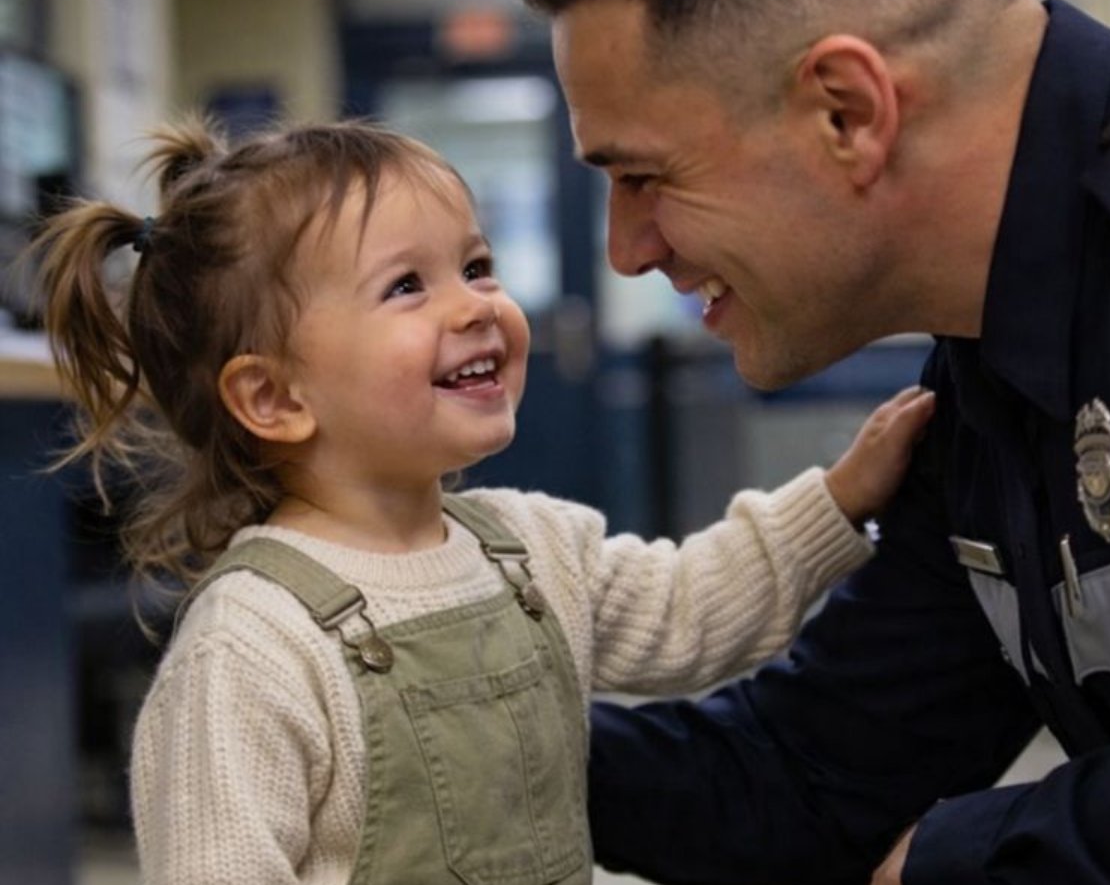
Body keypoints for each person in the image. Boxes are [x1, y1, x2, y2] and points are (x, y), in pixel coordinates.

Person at [30, 115, 932, 884]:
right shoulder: (252, 646)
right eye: (407, 286)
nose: (474, 307)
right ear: (274, 398)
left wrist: (841, 499)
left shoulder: (531, 547)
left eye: (477, 264)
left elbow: (689, 610)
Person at [514, 0, 1110, 882]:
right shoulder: (987, 373)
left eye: (642, 176)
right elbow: (809, 777)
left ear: (848, 113)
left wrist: (940, 866)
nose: (627, 251)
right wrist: (433, 732)